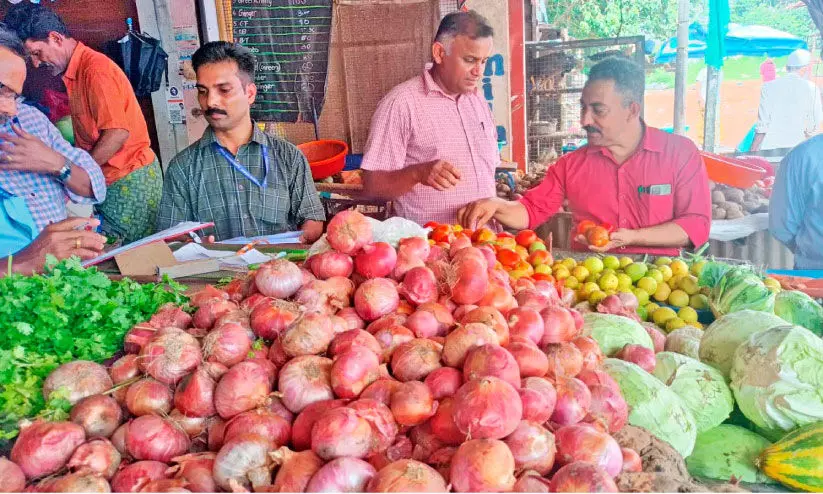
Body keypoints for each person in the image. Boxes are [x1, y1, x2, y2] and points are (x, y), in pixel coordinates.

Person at [459, 57, 711, 256]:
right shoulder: (571, 165)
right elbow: (531, 211)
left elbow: (695, 226)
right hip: (588, 279)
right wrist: (496, 205)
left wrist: (632, 238)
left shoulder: (680, 153)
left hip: (662, 278)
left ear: (632, 109)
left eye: (598, 110)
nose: (584, 120)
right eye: (583, 107)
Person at [5, 3, 162, 244]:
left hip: (128, 177)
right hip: (113, 176)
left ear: (56, 38)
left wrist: (80, 170)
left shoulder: (95, 70)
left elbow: (117, 132)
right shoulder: (74, 71)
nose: (36, 64)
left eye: (36, 53)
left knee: (128, 256)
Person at [156, 41, 325, 242]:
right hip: (216, 272)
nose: (210, 102)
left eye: (224, 90)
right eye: (203, 91)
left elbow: (313, 220)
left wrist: (295, 242)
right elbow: (170, 237)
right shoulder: (183, 167)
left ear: (250, 93)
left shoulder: (288, 157)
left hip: (279, 268)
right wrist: (194, 246)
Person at [359, 10, 499, 226]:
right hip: (429, 248)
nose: (478, 72)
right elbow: (372, 187)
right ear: (439, 53)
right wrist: (417, 173)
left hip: (487, 244)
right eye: (470, 60)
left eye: (484, 61)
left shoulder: (477, 100)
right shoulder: (401, 103)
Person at [0, 24, 106, 272]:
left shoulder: (29, 121)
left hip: (61, 283)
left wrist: (55, 163)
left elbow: (95, 186)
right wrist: (27, 262)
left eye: (14, 96)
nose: (11, 109)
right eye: (1, 91)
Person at [750, 49, 823, 152]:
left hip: (769, 150)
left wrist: (751, 152)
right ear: (804, 69)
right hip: (796, 151)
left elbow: (762, 127)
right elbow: (813, 126)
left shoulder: (767, 87)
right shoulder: (812, 88)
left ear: (786, 68)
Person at [769, 135, 823, 269]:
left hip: (813, 273)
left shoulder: (803, 155)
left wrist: (809, 252)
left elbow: (782, 227)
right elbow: (782, 227)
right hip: (814, 279)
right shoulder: (802, 156)